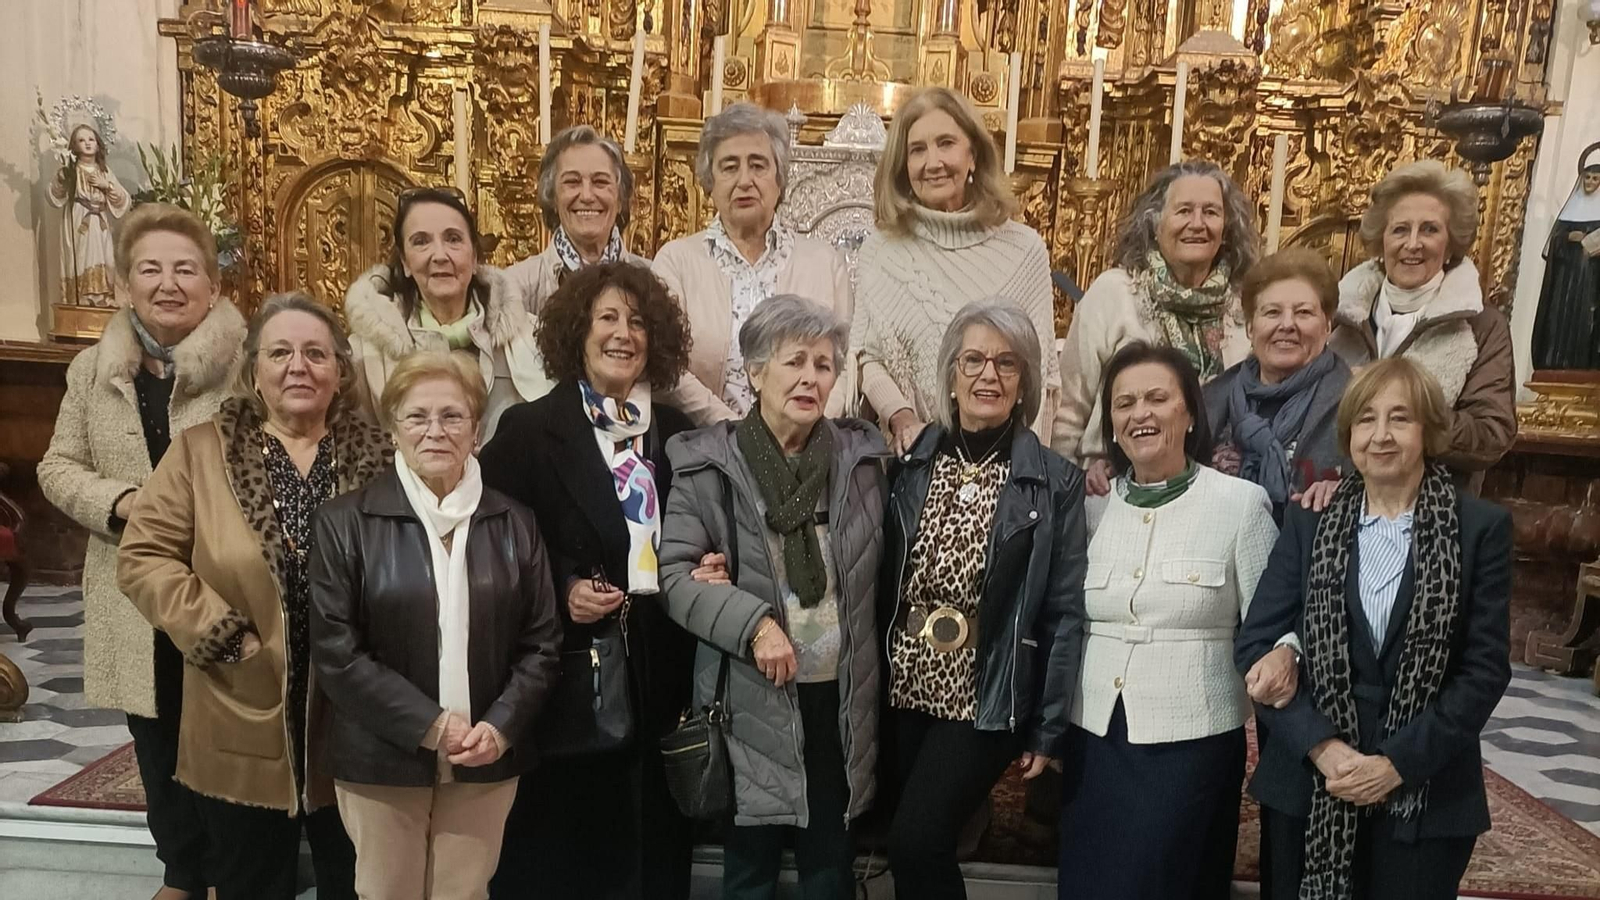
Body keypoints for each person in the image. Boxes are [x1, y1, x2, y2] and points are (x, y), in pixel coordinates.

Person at [117, 293, 391, 900]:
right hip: (237, 705)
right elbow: (142, 556)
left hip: (352, 722)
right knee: (248, 885)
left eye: (316, 353)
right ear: (254, 370)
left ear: (341, 371)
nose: (299, 366)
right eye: (281, 352)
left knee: (358, 886)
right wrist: (219, 633)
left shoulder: (384, 459)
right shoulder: (198, 452)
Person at [1235, 357, 1512, 900]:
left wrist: (1396, 764)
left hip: (1425, 788)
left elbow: (1483, 671)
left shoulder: (1480, 529)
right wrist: (1322, 748)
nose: (1380, 435)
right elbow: (1255, 644)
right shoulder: (1308, 522)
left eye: (1400, 419)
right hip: (1310, 781)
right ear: (1349, 434)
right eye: (1366, 419)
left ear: (1429, 431)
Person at [38, 202, 245, 900]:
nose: (168, 283)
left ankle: (231, 869)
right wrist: (124, 504)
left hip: (219, 580)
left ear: (212, 286)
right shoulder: (93, 370)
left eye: (186, 269)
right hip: (129, 582)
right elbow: (57, 467)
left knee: (222, 728)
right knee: (155, 735)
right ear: (126, 284)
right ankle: (182, 872)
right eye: (150, 269)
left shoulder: (245, 366)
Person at [310, 351, 563, 900]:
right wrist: (432, 725)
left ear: (476, 429)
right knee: (386, 893)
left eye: (452, 416)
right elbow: (337, 652)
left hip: (485, 753)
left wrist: (498, 727)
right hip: (381, 756)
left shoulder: (515, 522)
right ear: (393, 429)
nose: (435, 431)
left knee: (464, 894)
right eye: (417, 417)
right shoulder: (345, 521)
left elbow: (542, 644)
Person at [481, 262, 697, 900]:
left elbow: (702, 533)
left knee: (653, 856)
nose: (623, 333)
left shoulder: (678, 435)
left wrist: (710, 562)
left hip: (661, 672)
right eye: (607, 317)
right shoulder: (527, 431)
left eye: (636, 321)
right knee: (564, 857)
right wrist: (562, 583)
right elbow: (493, 541)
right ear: (578, 332)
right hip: (570, 685)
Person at [660, 294, 888, 899]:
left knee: (829, 867)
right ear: (755, 372)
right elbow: (677, 577)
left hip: (840, 700)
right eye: (794, 362)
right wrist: (755, 623)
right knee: (750, 869)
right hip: (748, 697)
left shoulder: (861, 460)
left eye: (823, 364)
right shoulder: (707, 465)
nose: (810, 378)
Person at [881, 300, 1087, 899]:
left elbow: (1064, 614)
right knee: (922, 842)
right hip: (903, 683)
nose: (987, 375)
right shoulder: (910, 464)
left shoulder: (1054, 480)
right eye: (972, 359)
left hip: (987, 690)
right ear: (950, 374)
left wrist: (1048, 730)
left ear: (1025, 382)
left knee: (914, 840)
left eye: (1006, 363)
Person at [1056, 341, 1278, 900]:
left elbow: (1274, 624)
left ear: (1189, 412)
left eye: (1157, 398)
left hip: (1190, 741)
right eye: (1125, 403)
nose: (1141, 414)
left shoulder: (1240, 504)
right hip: (1097, 735)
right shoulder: (1091, 507)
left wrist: (1286, 658)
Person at [852, 86, 1058, 452]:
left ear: (973, 155)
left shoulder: (1024, 251)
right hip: (910, 462)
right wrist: (901, 418)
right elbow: (868, 359)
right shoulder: (880, 251)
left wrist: (1024, 474)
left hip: (1005, 466)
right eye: (917, 150)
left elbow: (1039, 376)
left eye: (946, 143)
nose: (933, 162)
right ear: (903, 164)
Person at [1054, 160, 1256, 496]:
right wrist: (1065, 488)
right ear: (1154, 223)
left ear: (1226, 229)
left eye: (1210, 212)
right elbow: (1069, 408)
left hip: (1213, 491)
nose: (1197, 224)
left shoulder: (1244, 304)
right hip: (1109, 487)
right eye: (1183, 211)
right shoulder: (1114, 293)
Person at [653, 103, 852, 425]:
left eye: (758, 165)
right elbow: (667, 365)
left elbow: (846, 362)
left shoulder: (824, 263)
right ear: (709, 183)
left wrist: (809, 431)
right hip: (705, 445)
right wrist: (736, 434)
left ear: (779, 179)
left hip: (807, 449)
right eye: (729, 167)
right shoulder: (676, 261)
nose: (745, 180)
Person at [1327, 160, 1515, 491]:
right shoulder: (1335, 312)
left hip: (1432, 513)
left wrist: (1409, 407)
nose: (1413, 244)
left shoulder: (1482, 325)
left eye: (1429, 229)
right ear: (1381, 240)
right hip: (1331, 498)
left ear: (1451, 245)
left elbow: (1491, 436)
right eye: (1400, 229)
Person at [346, 186, 552, 441]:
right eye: (421, 242)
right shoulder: (366, 354)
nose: (440, 255)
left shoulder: (532, 338)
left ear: (475, 256)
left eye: (453, 239)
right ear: (405, 263)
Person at [1204, 247, 1351, 522]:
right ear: (1250, 327)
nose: (1287, 324)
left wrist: (1350, 493)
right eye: (1272, 313)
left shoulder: (1355, 402)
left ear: (1328, 326)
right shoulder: (1210, 400)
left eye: (1304, 313)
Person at [504, 125, 651, 310]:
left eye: (600, 182)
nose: (587, 196)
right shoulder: (516, 287)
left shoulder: (653, 283)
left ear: (620, 199)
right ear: (553, 198)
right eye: (572, 182)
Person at [48, 123, 131, 308]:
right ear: (74, 146)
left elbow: (124, 200)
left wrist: (106, 186)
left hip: (100, 221)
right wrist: (62, 179)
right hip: (79, 221)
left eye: (91, 139)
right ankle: (81, 297)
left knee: (104, 257)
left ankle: (102, 297)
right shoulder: (71, 171)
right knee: (82, 256)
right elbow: (55, 196)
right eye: (81, 140)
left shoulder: (104, 172)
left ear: (98, 144)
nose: (87, 143)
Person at [1530, 160, 1600, 369]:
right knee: (1559, 321)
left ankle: (1584, 364)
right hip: (1566, 278)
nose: (1589, 182)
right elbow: (1555, 240)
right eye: (1587, 177)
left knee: (1586, 321)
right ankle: (1554, 362)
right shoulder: (1572, 208)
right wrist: (1569, 236)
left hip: (1591, 279)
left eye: (1595, 178)